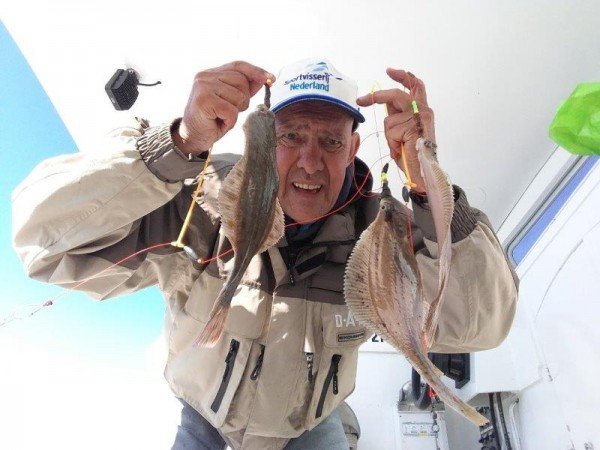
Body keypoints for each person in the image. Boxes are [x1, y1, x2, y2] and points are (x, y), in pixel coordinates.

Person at [12, 58, 518, 450]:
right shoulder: (199, 205)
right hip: (204, 422)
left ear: (354, 146)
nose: (309, 160)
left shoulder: (380, 231)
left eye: (330, 140)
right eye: (290, 135)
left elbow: (481, 324)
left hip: (311, 428)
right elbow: (44, 244)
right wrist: (176, 147)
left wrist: (425, 181)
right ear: (262, 142)